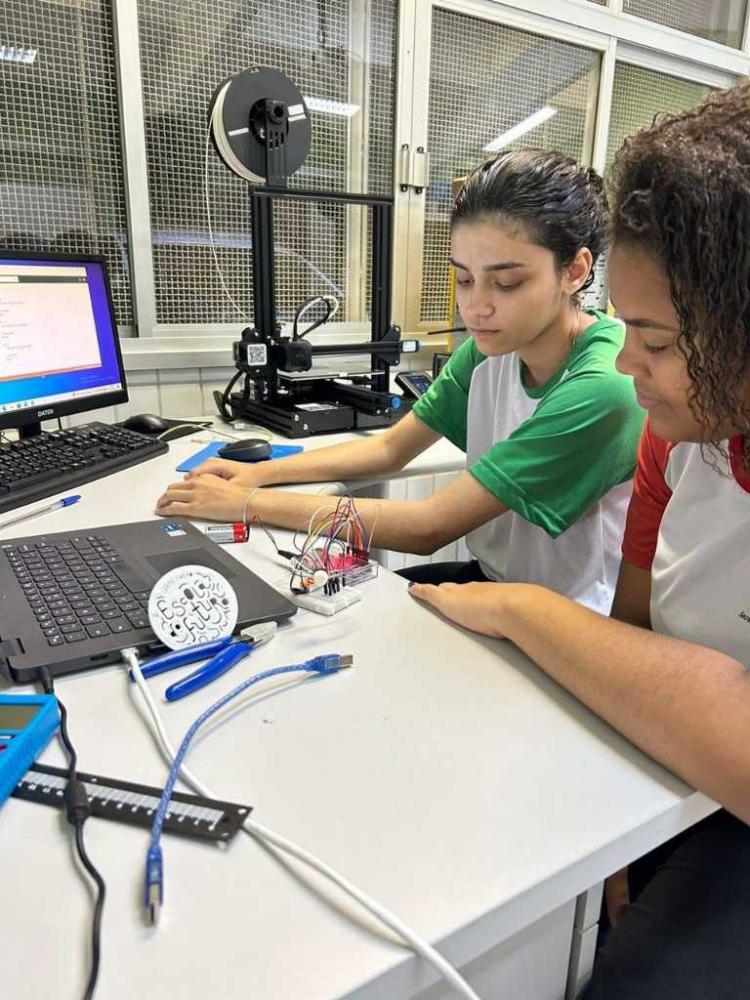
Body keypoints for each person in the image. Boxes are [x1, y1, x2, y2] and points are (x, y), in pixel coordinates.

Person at [410, 82, 750, 998]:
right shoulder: (676, 440)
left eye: (658, 341)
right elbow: (638, 635)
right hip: (682, 770)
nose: (628, 363)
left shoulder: (605, 389)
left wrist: (521, 608)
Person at [156, 149, 644, 612]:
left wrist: (246, 504)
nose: (475, 306)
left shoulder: (605, 384)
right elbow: (389, 449)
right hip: (495, 582)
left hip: (565, 616)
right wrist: (259, 474)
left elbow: (427, 527)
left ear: (575, 271)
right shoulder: (489, 348)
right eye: (465, 279)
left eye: (507, 282)